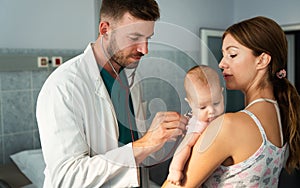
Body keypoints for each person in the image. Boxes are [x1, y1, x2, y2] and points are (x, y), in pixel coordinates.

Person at [36, 0, 188, 187]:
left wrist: (161, 136)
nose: (145, 49)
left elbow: (131, 143)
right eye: (134, 38)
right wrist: (146, 143)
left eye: (148, 38)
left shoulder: (131, 78)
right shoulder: (63, 86)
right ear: (105, 29)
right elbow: (67, 178)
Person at [163, 16, 300, 187]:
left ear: (262, 60)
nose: (221, 64)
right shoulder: (281, 115)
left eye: (232, 54)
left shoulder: (229, 126)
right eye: (223, 55)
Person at [166, 65, 224, 185]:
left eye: (216, 102)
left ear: (222, 94)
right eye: (202, 107)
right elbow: (185, 146)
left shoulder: (218, 118)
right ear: (191, 104)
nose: (211, 110)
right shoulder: (199, 125)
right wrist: (175, 170)